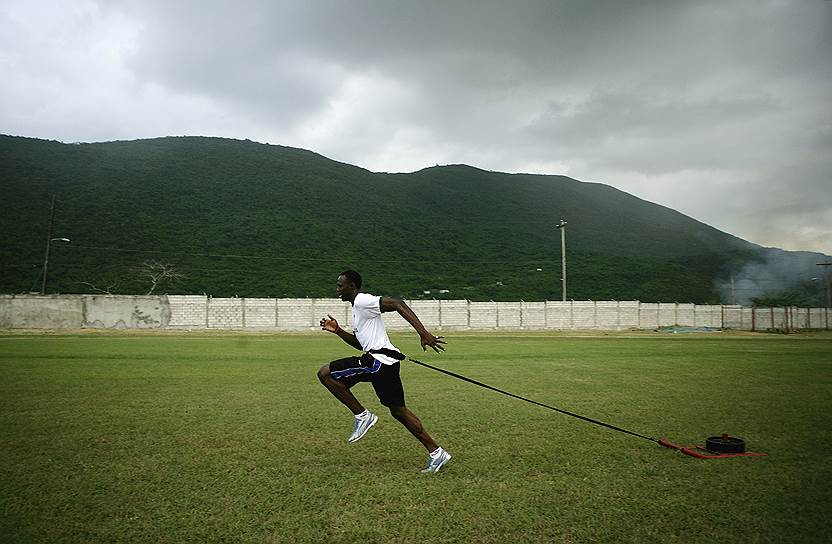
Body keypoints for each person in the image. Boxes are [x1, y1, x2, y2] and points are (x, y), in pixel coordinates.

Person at [318, 270, 451, 473]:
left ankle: (363, 416)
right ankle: (436, 452)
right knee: (399, 411)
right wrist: (338, 331)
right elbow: (360, 344)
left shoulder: (363, 300)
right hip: (385, 363)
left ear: (352, 286)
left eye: (340, 286)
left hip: (377, 362)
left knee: (325, 374)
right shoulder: (357, 308)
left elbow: (397, 303)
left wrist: (424, 334)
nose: (337, 290)